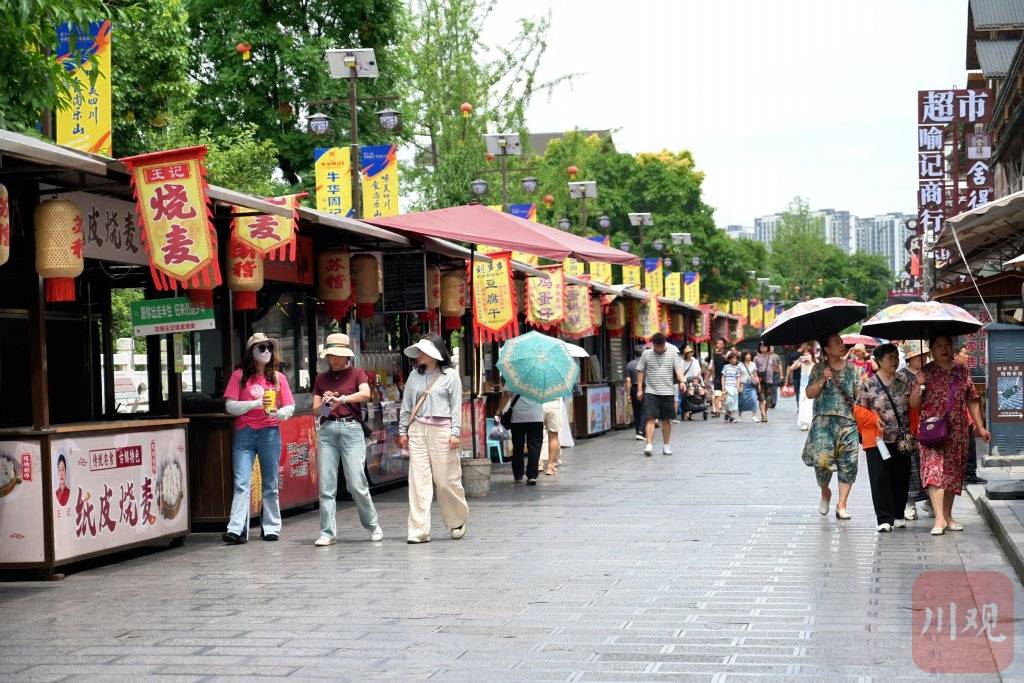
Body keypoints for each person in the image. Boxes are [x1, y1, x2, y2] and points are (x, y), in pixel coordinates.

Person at [911, 333, 992, 535]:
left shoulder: (962, 371)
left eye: (947, 344)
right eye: (939, 345)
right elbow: (913, 404)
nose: (944, 348)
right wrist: (918, 385)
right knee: (933, 472)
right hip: (932, 430)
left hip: (957, 431)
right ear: (931, 350)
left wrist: (980, 427)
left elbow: (972, 399)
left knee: (952, 474)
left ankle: (948, 516)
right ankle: (939, 518)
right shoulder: (925, 372)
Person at [222, 333, 295, 544]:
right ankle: (236, 529)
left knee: (270, 483)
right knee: (241, 483)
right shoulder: (239, 375)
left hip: (269, 433)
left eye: (269, 348)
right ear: (251, 352)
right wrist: (255, 404)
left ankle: (271, 527)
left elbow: (290, 406)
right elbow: (230, 406)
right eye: (261, 348)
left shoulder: (278, 378)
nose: (266, 352)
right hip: (244, 433)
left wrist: (280, 414)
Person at [311, 333, 383, 546]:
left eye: (338, 355)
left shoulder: (357, 373)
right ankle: (327, 533)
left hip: (351, 429)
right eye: (331, 355)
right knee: (326, 485)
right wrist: (327, 403)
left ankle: (373, 524)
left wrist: (341, 399)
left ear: (347, 356)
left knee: (356, 483)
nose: (334, 359)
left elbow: (366, 394)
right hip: (328, 430)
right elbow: (317, 412)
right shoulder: (321, 378)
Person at [398, 335, 468, 544]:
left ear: (435, 353)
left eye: (423, 351)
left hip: (442, 432)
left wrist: (455, 432)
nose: (419, 354)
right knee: (418, 482)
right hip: (418, 430)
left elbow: (456, 406)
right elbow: (407, 405)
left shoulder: (451, 375)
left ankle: (456, 520)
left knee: (446, 481)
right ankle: (418, 530)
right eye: (418, 350)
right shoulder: (414, 375)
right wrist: (403, 431)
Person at [855, 344, 914, 533]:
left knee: (901, 476)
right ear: (879, 361)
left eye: (896, 357)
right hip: (877, 439)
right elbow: (858, 410)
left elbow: (913, 405)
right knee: (879, 478)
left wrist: (919, 388)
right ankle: (883, 518)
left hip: (901, 438)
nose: (894, 361)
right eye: (890, 357)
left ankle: (898, 514)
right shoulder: (869, 384)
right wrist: (874, 419)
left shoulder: (903, 380)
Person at [802, 333, 859, 520]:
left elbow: (859, 396)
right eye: (836, 343)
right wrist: (822, 380)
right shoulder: (819, 368)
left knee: (849, 463)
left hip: (848, 422)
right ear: (826, 349)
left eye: (841, 342)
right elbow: (809, 393)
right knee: (823, 462)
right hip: (823, 424)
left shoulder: (852, 369)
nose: (841, 345)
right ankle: (825, 491)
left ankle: (842, 504)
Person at [636, 332, 685, 456]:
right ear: (653, 345)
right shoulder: (646, 354)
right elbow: (640, 371)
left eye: (661, 346)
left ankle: (666, 445)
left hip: (667, 392)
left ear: (665, 344)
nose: (659, 349)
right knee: (650, 418)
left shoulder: (673, 353)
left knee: (666, 420)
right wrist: (640, 389)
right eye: (657, 347)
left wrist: (682, 381)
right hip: (651, 392)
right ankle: (648, 445)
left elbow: (678, 369)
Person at [898, 341, 931, 520]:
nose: (923, 359)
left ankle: (931, 501)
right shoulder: (901, 376)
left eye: (925, 355)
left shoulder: (930, 372)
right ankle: (909, 503)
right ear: (910, 358)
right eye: (920, 356)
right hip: (908, 425)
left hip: (929, 424)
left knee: (929, 464)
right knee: (911, 466)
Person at [955, 345, 988, 486]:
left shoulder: (965, 371)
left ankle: (969, 473)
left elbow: (972, 398)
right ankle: (961, 475)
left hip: (966, 414)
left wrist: (979, 425)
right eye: (964, 353)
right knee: (961, 447)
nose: (967, 356)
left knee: (970, 445)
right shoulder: (950, 372)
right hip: (955, 418)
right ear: (955, 355)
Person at [498, 389, 545, 483]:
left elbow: (507, 395)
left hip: (518, 417)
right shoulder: (541, 380)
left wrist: (498, 410)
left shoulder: (513, 380)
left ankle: (518, 475)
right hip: (536, 416)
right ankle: (532, 476)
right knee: (534, 446)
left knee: (517, 446)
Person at [788, 343, 816, 430]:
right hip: (803, 386)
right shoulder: (802, 364)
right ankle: (804, 422)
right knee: (803, 404)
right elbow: (791, 368)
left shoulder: (814, 363)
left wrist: (810, 361)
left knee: (810, 404)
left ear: (811, 355)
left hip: (812, 387)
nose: (806, 355)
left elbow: (818, 369)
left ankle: (811, 422)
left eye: (808, 354)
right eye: (805, 354)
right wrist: (798, 360)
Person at [624, 345, 646, 440]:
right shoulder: (646, 363)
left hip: (633, 388)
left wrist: (628, 393)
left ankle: (638, 431)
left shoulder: (629, 365)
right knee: (644, 410)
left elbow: (628, 381)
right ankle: (641, 431)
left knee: (636, 410)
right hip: (644, 388)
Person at [679, 346, 703, 420]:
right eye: (689, 353)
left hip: (695, 380)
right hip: (686, 381)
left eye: (691, 352)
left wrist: (697, 380)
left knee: (695, 395)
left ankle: (691, 412)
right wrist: (682, 381)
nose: (690, 354)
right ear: (686, 354)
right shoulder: (682, 362)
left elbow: (699, 371)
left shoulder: (695, 361)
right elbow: (681, 372)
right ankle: (686, 411)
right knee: (687, 395)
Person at [753, 342, 774, 422]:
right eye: (761, 346)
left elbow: (774, 368)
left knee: (769, 399)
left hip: (769, 381)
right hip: (760, 381)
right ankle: (764, 416)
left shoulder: (771, 357)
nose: (763, 347)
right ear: (759, 348)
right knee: (761, 398)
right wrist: (756, 379)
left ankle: (764, 413)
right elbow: (753, 370)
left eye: (765, 346)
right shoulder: (756, 358)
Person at [709, 338, 728, 418]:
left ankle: (728, 411)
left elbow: (730, 362)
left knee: (726, 394)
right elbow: (713, 365)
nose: (718, 345)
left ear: (724, 345)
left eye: (720, 344)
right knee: (717, 394)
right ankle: (717, 411)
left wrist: (723, 356)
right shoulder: (714, 353)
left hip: (726, 376)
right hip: (717, 376)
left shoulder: (727, 353)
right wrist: (711, 376)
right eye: (717, 343)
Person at [739, 350, 761, 421]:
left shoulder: (753, 364)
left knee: (754, 399)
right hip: (743, 384)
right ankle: (740, 415)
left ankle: (754, 415)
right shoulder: (740, 365)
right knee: (742, 400)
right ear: (744, 356)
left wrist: (759, 384)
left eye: (749, 354)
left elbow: (755, 374)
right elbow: (738, 376)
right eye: (747, 354)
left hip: (752, 384)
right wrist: (739, 385)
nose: (749, 356)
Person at [542, 399, 562, 476]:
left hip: (537, 404)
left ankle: (538, 463)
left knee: (536, 436)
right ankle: (550, 466)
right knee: (553, 436)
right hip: (553, 404)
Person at [721, 351, 741, 423]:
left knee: (734, 402)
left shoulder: (737, 368)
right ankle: (728, 414)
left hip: (734, 387)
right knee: (728, 401)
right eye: (732, 358)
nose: (733, 360)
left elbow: (738, 377)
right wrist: (723, 387)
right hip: (727, 386)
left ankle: (731, 416)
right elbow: (723, 377)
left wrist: (738, 386)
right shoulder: (726, 367)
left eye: (735, 358)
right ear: (729, 359)